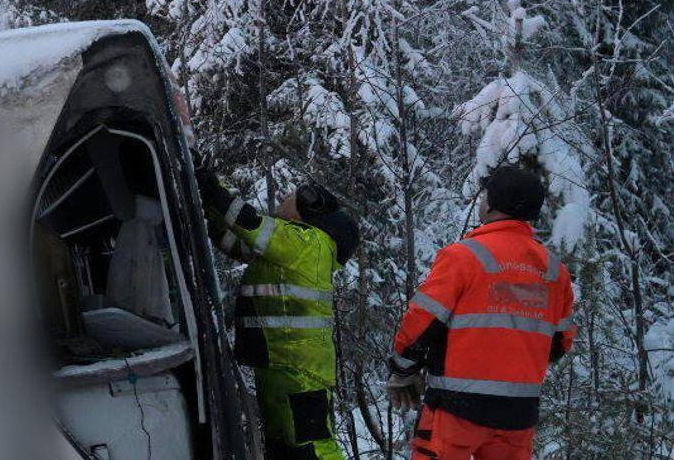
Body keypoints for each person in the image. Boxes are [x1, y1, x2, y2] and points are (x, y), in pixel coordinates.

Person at [386, 164, 573, 460]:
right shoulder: (554, 270)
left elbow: (422, 322)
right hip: (518, 414)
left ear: (493, 204)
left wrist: (403, 370)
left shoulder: (464, 256)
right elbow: (560, 343)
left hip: (456, 409)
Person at [199, 168, 360, 460]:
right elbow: (233, 240)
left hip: (299, 372)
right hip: (278, 365)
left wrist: (207, 180)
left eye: (289, 197)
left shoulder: (307, 242)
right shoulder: (289, 248)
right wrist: (208, 209)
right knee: (284, 450)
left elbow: (248, 222)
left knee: (314, 449)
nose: (282, 199)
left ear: (307, 209)